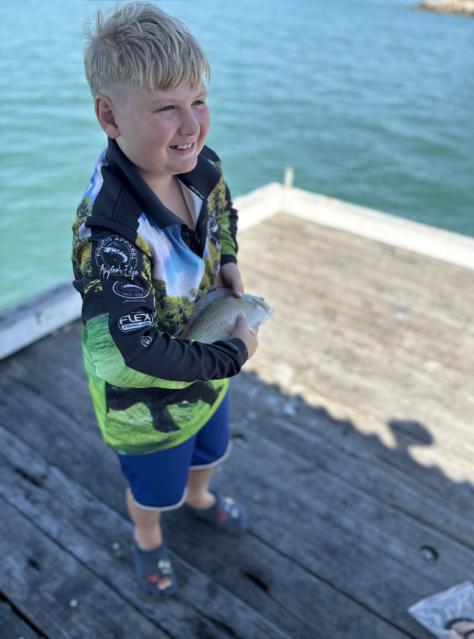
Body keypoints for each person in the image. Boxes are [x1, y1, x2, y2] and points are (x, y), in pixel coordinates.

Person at [72, 1, 258, 597]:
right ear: (109, 115)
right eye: (165, 108)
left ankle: (200, 496)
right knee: (154, 490)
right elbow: (134, 349)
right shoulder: (110, 233)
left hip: (207, 372)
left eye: (198, 100)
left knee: (210, 449)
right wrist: (233, 355)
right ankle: (148, 536)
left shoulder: (200, 164)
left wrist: (227, 259)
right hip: (144, 405)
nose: (191, 126)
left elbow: (224, 212)